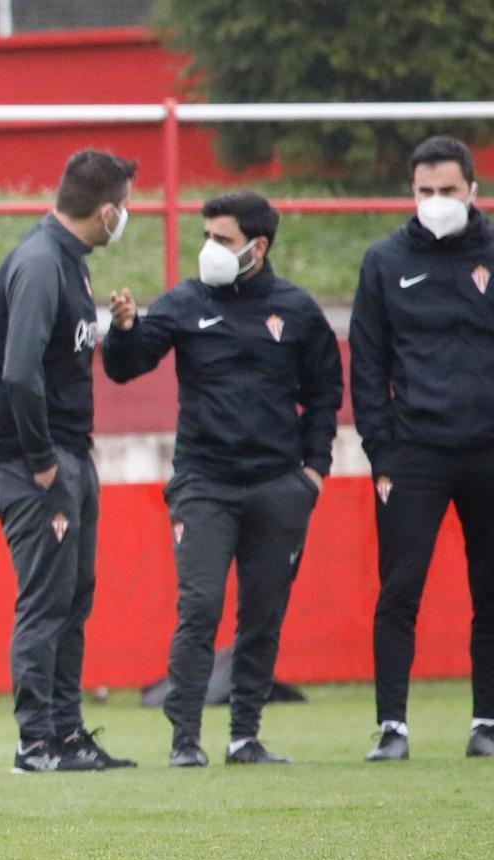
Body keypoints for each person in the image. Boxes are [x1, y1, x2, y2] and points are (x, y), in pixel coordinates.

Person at [102, 191, 342, 767]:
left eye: (223, 239)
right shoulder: (185, 301)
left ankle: (244, 737)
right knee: (200, 607)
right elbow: (125, 367)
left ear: (257, 247)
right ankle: (185, 740)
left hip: (277, 487)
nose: (209, 248)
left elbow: (325, 397)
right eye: (206, 236)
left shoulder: (298, 311)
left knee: (262, 614)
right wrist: (126, 330)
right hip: (203, 484)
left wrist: (311, 474)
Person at [0, 148, 140, 773]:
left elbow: (57, 362)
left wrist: (118, 330)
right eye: (123, 208)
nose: (125, 218)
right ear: (104, 211)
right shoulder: (42, 264)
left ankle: (67, 735)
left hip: (72, 453)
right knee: (46, 599)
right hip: (34, 464)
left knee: (74, 596)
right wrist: (43, 462)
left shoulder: (72, 263)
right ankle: (35, 742)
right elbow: (19, 374)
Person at [351, 135, 494, 761]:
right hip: (414, 452)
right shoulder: (384, 261)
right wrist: (380, 452)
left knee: (489, 591)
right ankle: (393, 728)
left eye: (447, 191)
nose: (435, 201)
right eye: (424, 191)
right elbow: (367, 363)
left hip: (488, 449)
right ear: (411, 192)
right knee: (400, 588)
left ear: (474, 191)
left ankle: (486, 722)